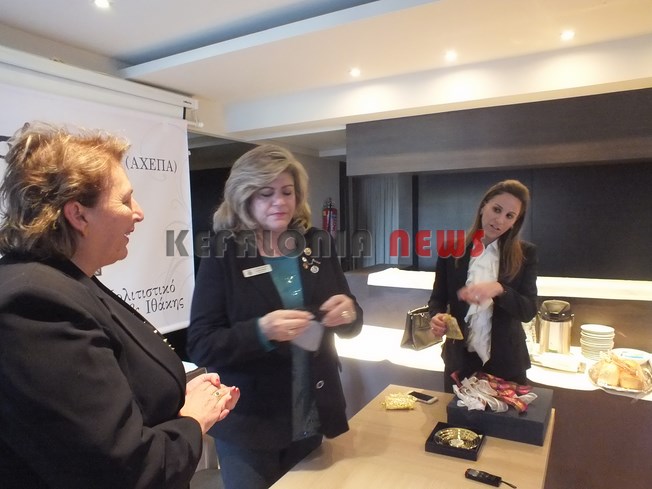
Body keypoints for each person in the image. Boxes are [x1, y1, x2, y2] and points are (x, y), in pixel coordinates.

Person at [0, 122, 239, 489]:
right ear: (78, 215)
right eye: (126, 200)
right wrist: (194, 420)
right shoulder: (35, 303)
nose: (138, 213)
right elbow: (125, 469)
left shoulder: (67, 280)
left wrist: (179, 395)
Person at [186, 144, 363, 489]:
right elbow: (201, 344)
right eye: (266, 194)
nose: (279, 202)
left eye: (287, 192)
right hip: (251, 424)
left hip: (312, 412)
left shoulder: (316, 242)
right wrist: (261, 331)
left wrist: (349, 314)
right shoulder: (223, 252)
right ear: (244, 197)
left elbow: (350, 318)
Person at [428, 179, 538, 393]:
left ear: (515, 222)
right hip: (459, 363)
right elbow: (437, 299)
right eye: (496, 209)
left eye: (509, 216)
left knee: (505, 417)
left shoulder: (526, 254)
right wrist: (437, 317)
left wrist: (500, 289)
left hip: (507, 365)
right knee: (456, 416)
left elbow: (528, 311)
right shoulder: (451, 249)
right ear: (483, 207)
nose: (500, 220)